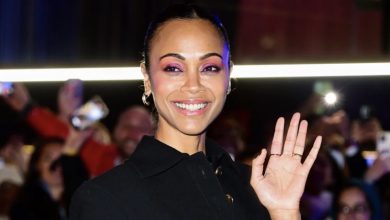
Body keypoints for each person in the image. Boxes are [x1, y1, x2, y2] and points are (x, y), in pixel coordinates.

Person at [69, 4, 321, 220]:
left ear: (228, 77)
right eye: (174, 68)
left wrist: (283, 212)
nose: (193, 85)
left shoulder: (254, 187)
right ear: (147, 77)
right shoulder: (106, 198)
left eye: (209, 68)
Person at [2, 83, 154, 177]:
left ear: (154, 132)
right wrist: (27, 108)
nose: (131, 134)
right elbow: (63, 135)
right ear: (115, 131)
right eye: (126, 127)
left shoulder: (166, 165)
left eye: (141, 128)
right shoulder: (103, 156)